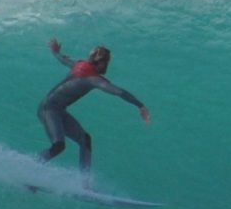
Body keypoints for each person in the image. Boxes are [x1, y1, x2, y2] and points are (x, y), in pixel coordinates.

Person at [37, 38, 151, 184]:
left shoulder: (78, 65)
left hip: (57, 110)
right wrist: (140, 105)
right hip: (48, 109)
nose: (107, 65)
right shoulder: (94, 79)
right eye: (107, 62)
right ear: (101, 62)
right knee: (59, 145)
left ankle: (84, 184)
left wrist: (55, 51)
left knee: (85, 140)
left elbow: (62, 59)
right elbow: (119, 92)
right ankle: (32, 167)